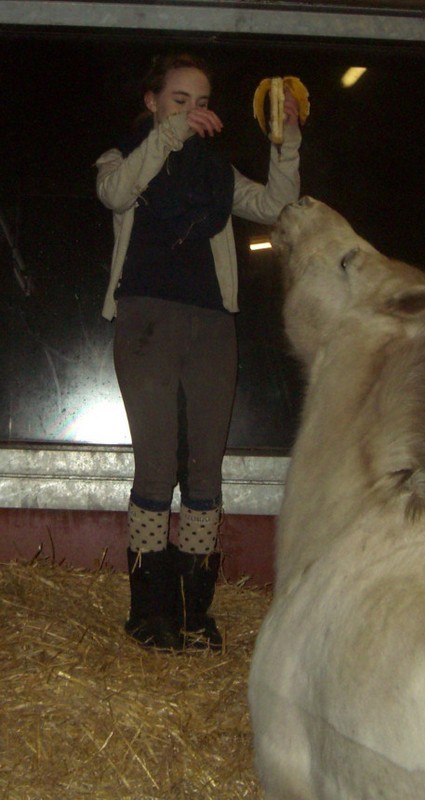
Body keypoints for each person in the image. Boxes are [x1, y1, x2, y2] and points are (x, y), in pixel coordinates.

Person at [96, 52, 302, 652]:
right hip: (145, 320)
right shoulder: (122, 157)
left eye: (202, 102)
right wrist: (170, 135)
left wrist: (285, 143)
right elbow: (115, 194)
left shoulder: (215, 172)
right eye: (179, 100)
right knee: (157, 466)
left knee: (207, 470)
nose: (193, 111)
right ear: (152, 102)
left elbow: (277, 208)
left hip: (212, 324)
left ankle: (194, 614)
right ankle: (148, 613)